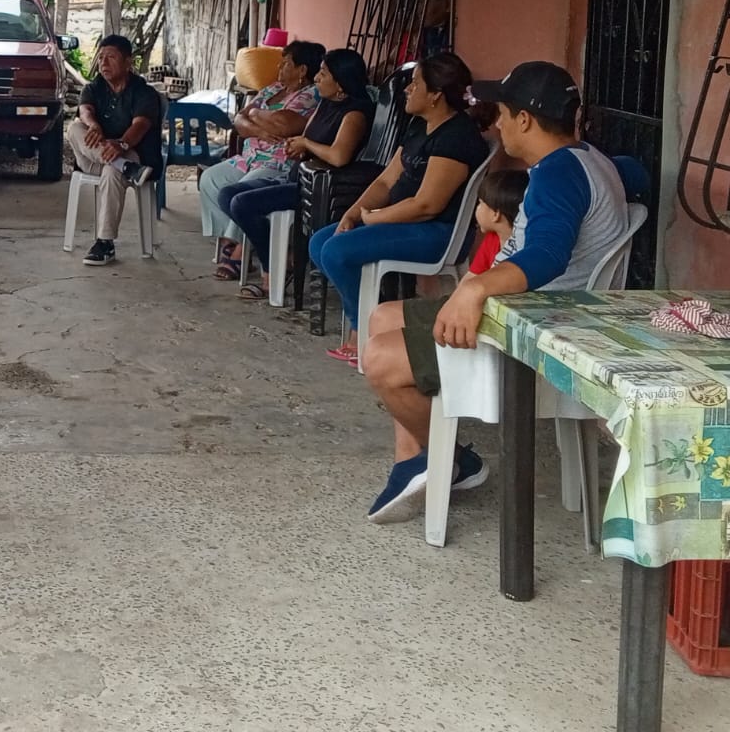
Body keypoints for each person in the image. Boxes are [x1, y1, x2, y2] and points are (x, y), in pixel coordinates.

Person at [361, 62, 628, 524]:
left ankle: (450, 459)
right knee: (385, 316)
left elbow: (547, 255)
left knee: (380, 359)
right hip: (527, 308)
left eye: (503, 114)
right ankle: (421, 459)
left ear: (524, 119)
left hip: (533, 329)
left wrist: (476, 288)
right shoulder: (587, 158)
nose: (497, 124)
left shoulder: (558, 174)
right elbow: (633, 178)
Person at [308, 52, 494, 365]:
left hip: (436, 232)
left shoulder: (456, 136)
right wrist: (353, 213)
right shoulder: (420, 126)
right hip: (403, 222)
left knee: (336, 252)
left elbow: (427, 205)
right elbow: (386, 181)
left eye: (415, 84)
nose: (407, 89)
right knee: (319, 243)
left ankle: (363, 329)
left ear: (435, 95)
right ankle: (377, 314)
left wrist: (376, 218)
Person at [222, 48, 371, 300]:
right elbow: (307, 139)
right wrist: (298, 148)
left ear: (340, 83)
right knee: (228, 195)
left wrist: (306, 144)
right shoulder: (326, 104)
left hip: (322, 189)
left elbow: (339, 156)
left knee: (242, 204)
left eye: (323, 74)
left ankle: (272, 275)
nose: (317, 78)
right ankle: (283, 258)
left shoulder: (355, 114)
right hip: (300, 176)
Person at [201, 40, 324, 280]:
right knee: (210, 179)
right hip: (249, 157)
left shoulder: (312, 94)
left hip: (278, 162)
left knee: (241, 190)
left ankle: (240, 253)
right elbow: (239, 120)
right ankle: (230, 242)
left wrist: (256, 113)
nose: (279, 68)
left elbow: (284, 125)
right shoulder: (271, 89)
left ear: (302, 70)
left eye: (286, 63)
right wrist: (259, 129)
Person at [64, 35, 164, 266]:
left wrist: (122, 144)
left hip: (131, 153)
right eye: (101, 57)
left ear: (128, 62)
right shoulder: (93, 87)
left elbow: (140, 125)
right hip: (94, 158)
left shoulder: (143, 92)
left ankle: (105, 243)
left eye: (111, 57)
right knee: (74, 128)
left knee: (111, 171)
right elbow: (85, 111)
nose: (103, 63)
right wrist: (94, 125)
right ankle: (126, 168)